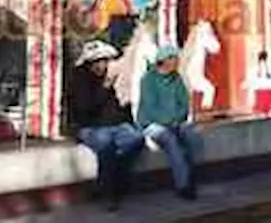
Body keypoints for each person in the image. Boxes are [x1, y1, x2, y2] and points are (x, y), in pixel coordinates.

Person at [71, 40, 145, 209]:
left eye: (105, 60)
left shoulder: (114, 77)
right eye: (97, 61)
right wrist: (104, 87)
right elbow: (85, 109)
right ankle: (110, 193)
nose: (102, 65)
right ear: (89, 63)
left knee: (137, 139)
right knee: (106, 146)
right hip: (91, 127)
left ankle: (106, 184)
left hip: (117, 126)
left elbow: (120, 109)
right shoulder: (81, 79)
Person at [136, 45, 201, 200]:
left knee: (192, 137)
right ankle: (183, 185)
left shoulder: (176, 78)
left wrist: (177, 119)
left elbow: (184, 103)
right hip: (152, 123)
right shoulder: (148, 80)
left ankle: (187, 174)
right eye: (174, 59)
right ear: (164, 61)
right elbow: (150, 109)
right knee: (171, 141)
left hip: (175, 122)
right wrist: (170, 121)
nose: (177, 62)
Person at [249, 52, 271, 116]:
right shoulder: (269, 66)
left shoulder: (256, 66)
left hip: (260, 88)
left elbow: (253, 77)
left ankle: (262, 115)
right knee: (268, 108)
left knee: (261, 108)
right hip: (268, 88)